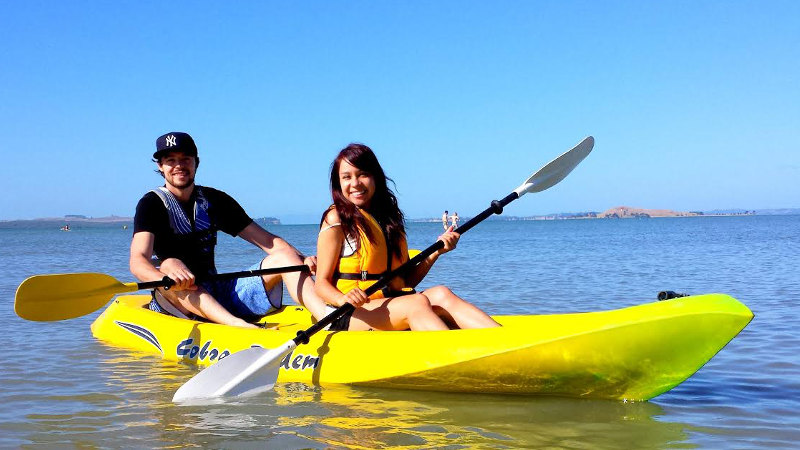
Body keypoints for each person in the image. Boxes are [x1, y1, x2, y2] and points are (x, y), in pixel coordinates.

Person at [130, 132, 323, 328]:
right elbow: (138, 262)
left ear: (196, 162)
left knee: (285, 257)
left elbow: (270, 242)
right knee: (170, 263)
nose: (179, 166)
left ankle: (325, 316)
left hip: (217, 292)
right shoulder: (151, 204)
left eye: (185, 159)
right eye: (171, 160)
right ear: (160, 166)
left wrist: (303, 259)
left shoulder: (215, 200)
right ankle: (238, 326)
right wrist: (165, 279)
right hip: (178, 301)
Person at [314, 143, 500, 331]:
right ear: (339, 182)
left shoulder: (388, 219)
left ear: (375, 177)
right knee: (416, 303)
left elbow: (405, 281)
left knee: (442, 294)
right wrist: (343, 298)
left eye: (363, 174)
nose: (355, 183)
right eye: (347, 177)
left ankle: (503, 340)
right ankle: (458, 355)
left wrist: (436, 252)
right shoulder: (335, 219)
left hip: (387, 303)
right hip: (346, 312)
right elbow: (321, 284)